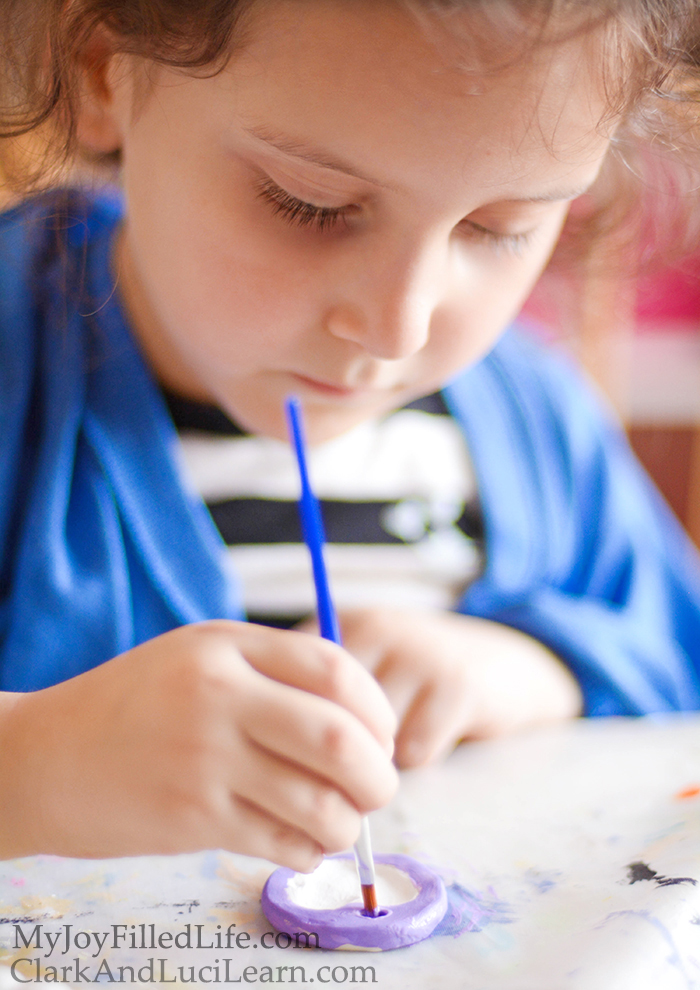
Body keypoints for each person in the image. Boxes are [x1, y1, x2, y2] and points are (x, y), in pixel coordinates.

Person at [1, 0, 700, 867]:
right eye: (311, 204)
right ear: (106, 69)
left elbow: (676, 661)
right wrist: (32, 765)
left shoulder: (539, 425)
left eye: (498, 228)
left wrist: (537, 668)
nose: (396, 329)